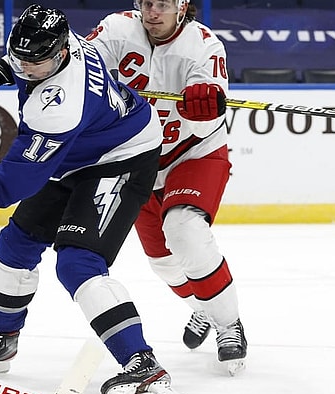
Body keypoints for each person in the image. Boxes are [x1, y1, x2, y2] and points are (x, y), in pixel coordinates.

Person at [0, 4, 181, 394]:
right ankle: (2, 341)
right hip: (76, 152)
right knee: (15, 244)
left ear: (61, 54)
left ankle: (144, 365)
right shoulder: (59, 44)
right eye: (18, 56)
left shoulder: (59, 105)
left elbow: (19, 178)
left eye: (34, 62)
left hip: (122, 157)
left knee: (78, 263)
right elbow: (24, 61)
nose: (25, 67)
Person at [86, 0, 247, 375]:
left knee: (184, 230)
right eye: (147, 3)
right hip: (138, 158)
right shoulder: (116, 29)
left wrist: (202, 109)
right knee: (163, 263)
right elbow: (79, 69)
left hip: (193, 152)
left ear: (182, 7)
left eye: (162, 4)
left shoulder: (203, 46)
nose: (152, 12)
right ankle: (204, 308)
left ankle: (229, 324)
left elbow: (207, 124)